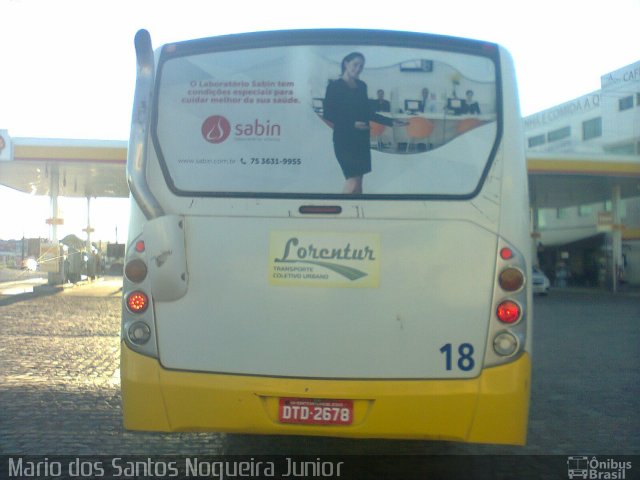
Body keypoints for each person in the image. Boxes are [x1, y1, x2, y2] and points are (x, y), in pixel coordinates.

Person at [324, 52, 406, 194]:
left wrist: (391, 122)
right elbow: (329, 114)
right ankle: (343, 212)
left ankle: (355, 212)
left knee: (359, 180)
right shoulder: (334, 86)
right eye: (355, 64)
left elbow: (367, 112)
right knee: (352, 179)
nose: (358, 68)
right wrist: (352, 125)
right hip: (344, 139)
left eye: (361, 66)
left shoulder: (362, 86)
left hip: (361, 139)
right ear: (346, 63)